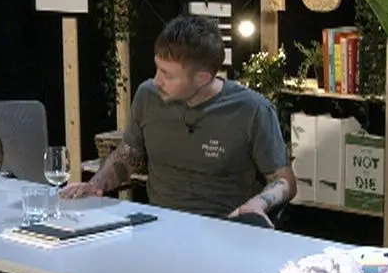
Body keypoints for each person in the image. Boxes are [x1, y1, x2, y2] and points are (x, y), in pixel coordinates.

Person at [60, 14, 295, 226]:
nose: (156, 80)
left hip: (222, 228)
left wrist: (258, 204)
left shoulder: (252, 110)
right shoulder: (147, 96)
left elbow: (284, 181)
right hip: (158, 226)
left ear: (202, 78)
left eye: (167, 75)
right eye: (157, 68)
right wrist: (96, 184)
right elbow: (128, 155)